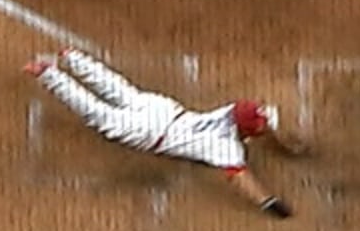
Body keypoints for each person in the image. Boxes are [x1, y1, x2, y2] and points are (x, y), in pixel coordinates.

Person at [23, 49, 306, 216]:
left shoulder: (233, 110)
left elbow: (261, 125)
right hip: (150, 133)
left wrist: (283, 144)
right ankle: (48, 74)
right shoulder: (225, 149)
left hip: (162, 109)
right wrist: (269, 203)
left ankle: (74, 58)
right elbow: (242, 179)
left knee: (120, 90)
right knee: (98, 114)